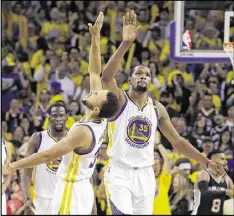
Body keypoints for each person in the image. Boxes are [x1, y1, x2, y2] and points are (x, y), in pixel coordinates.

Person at [101, 10, 226, 214]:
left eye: (147, 74)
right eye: (138, 73)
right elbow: (106, 78)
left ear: (151, 81)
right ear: (130, 79)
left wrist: (206, 162)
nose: (143, 76)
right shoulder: (121, 99)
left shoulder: (157, 108)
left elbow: (178, 142)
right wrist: (125, 44)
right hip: (119, 173)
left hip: (146, 175)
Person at [2, 11, 120, 215]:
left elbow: (47, 154)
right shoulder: (96, 118)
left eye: (97, 93)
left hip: (71, 189)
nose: (94, 90)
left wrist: (12, 166)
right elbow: (94, 71)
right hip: (77, 187)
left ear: (96, 108)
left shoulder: (83, 131)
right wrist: (95, 38)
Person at [20, 102, 68, 215]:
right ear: (49, 117)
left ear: (66, 117)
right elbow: (25, 171)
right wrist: (26, 198)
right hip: (42, 200)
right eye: (55, 115)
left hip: (66, 199)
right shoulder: (38, 138)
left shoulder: (73, 138)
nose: (58, 119)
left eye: (61, 115)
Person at [192, 150, 234, 215]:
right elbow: (204, 192)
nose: (226, 162)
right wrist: (226, 191)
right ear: (212, 161)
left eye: (225, 159)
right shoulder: (204, 174)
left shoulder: (227, 179)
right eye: (222, 159)